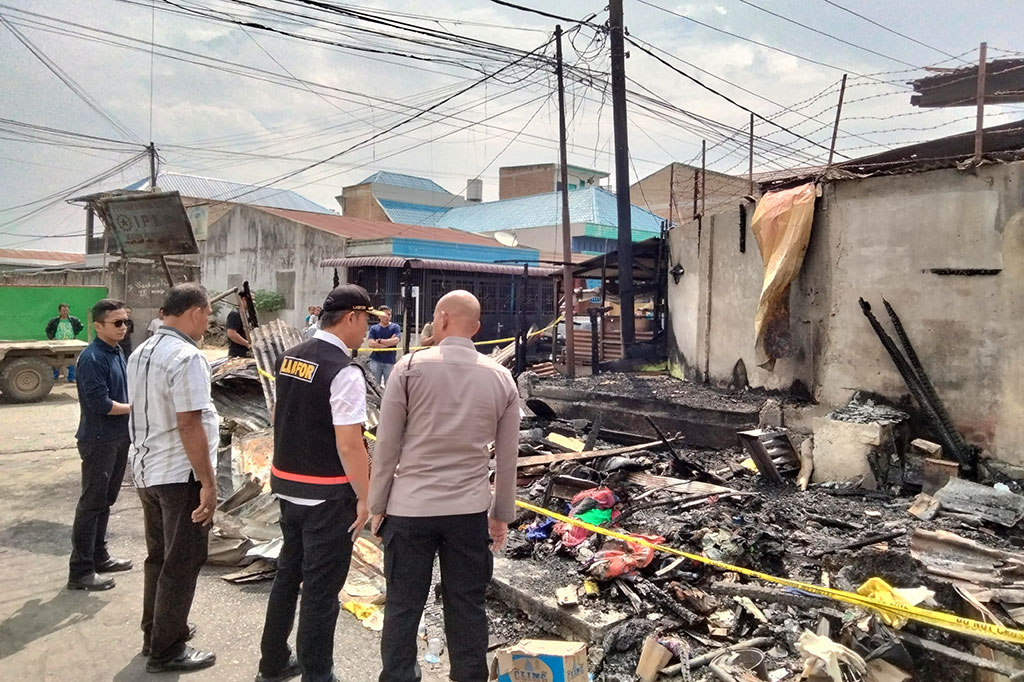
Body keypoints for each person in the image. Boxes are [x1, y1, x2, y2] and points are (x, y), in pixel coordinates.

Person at [369, 290, 520, 682]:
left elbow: (387, 445)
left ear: (440, 319)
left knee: (403, 605)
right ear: (477, 328)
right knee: (467, 605)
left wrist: (376, 505)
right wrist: (500, 515)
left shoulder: (408, 367)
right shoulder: (500, 377)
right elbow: (507, 458)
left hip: (410, 509)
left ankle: (399, 676)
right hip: (468, 513)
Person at [256, 284, 377, 682]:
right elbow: (350, 444)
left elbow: (280, 414)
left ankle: (273, 662)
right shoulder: (343, 370)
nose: (366, 330)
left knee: (288, 576)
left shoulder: (290, 356)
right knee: (321, 594)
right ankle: (318, 674)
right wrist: (366, 498)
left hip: (288, 487)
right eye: (366, 321)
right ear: (351, 317)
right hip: (327, 496)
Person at [127, 283, 218, 674]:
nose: (208, 322)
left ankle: (157, 631)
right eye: (208, 314)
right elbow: (189, 423)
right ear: (195, 312)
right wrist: (208, 483)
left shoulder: (142, 351)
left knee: (160, 557)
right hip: (179, 475)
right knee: (182, 560)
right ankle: (166, 650)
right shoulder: (187, 356)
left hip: (147, 470)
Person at [67, 299, 133, 592]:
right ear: (98, 326)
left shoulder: (116, 351)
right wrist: (136, 408)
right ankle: (80, 571)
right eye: (117, 323)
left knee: (105, 501)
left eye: (126, 322)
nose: (123, 327)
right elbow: (100, 404)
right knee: (91, 504)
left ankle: (99, 557)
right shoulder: (92, 358)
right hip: (98, 440)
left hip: (118, 437)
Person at [45, 303, 84, 381]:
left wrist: (74, 333)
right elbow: (47, 329)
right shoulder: (54, 321)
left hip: (71, 343)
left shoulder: (73, 320)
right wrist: (52, 338)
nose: (65, 312)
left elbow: (81, 326)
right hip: (57, 343)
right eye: (63, 310)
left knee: (71, 360)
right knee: (55, 360)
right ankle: (55, 377)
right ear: (59, 311)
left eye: (66, 310)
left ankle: (71, 377)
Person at [366, 306, 400, 386]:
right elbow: (371, 343)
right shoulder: (374, 328)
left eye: (389, 314)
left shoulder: (395, 327)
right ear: (379, 316)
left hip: (390, 361)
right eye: (385, 315)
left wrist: (379, 341)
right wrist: (388, 343)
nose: (387, 317)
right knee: (375, 385)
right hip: (375, 360)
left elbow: (396, 341)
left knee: (390, 386)